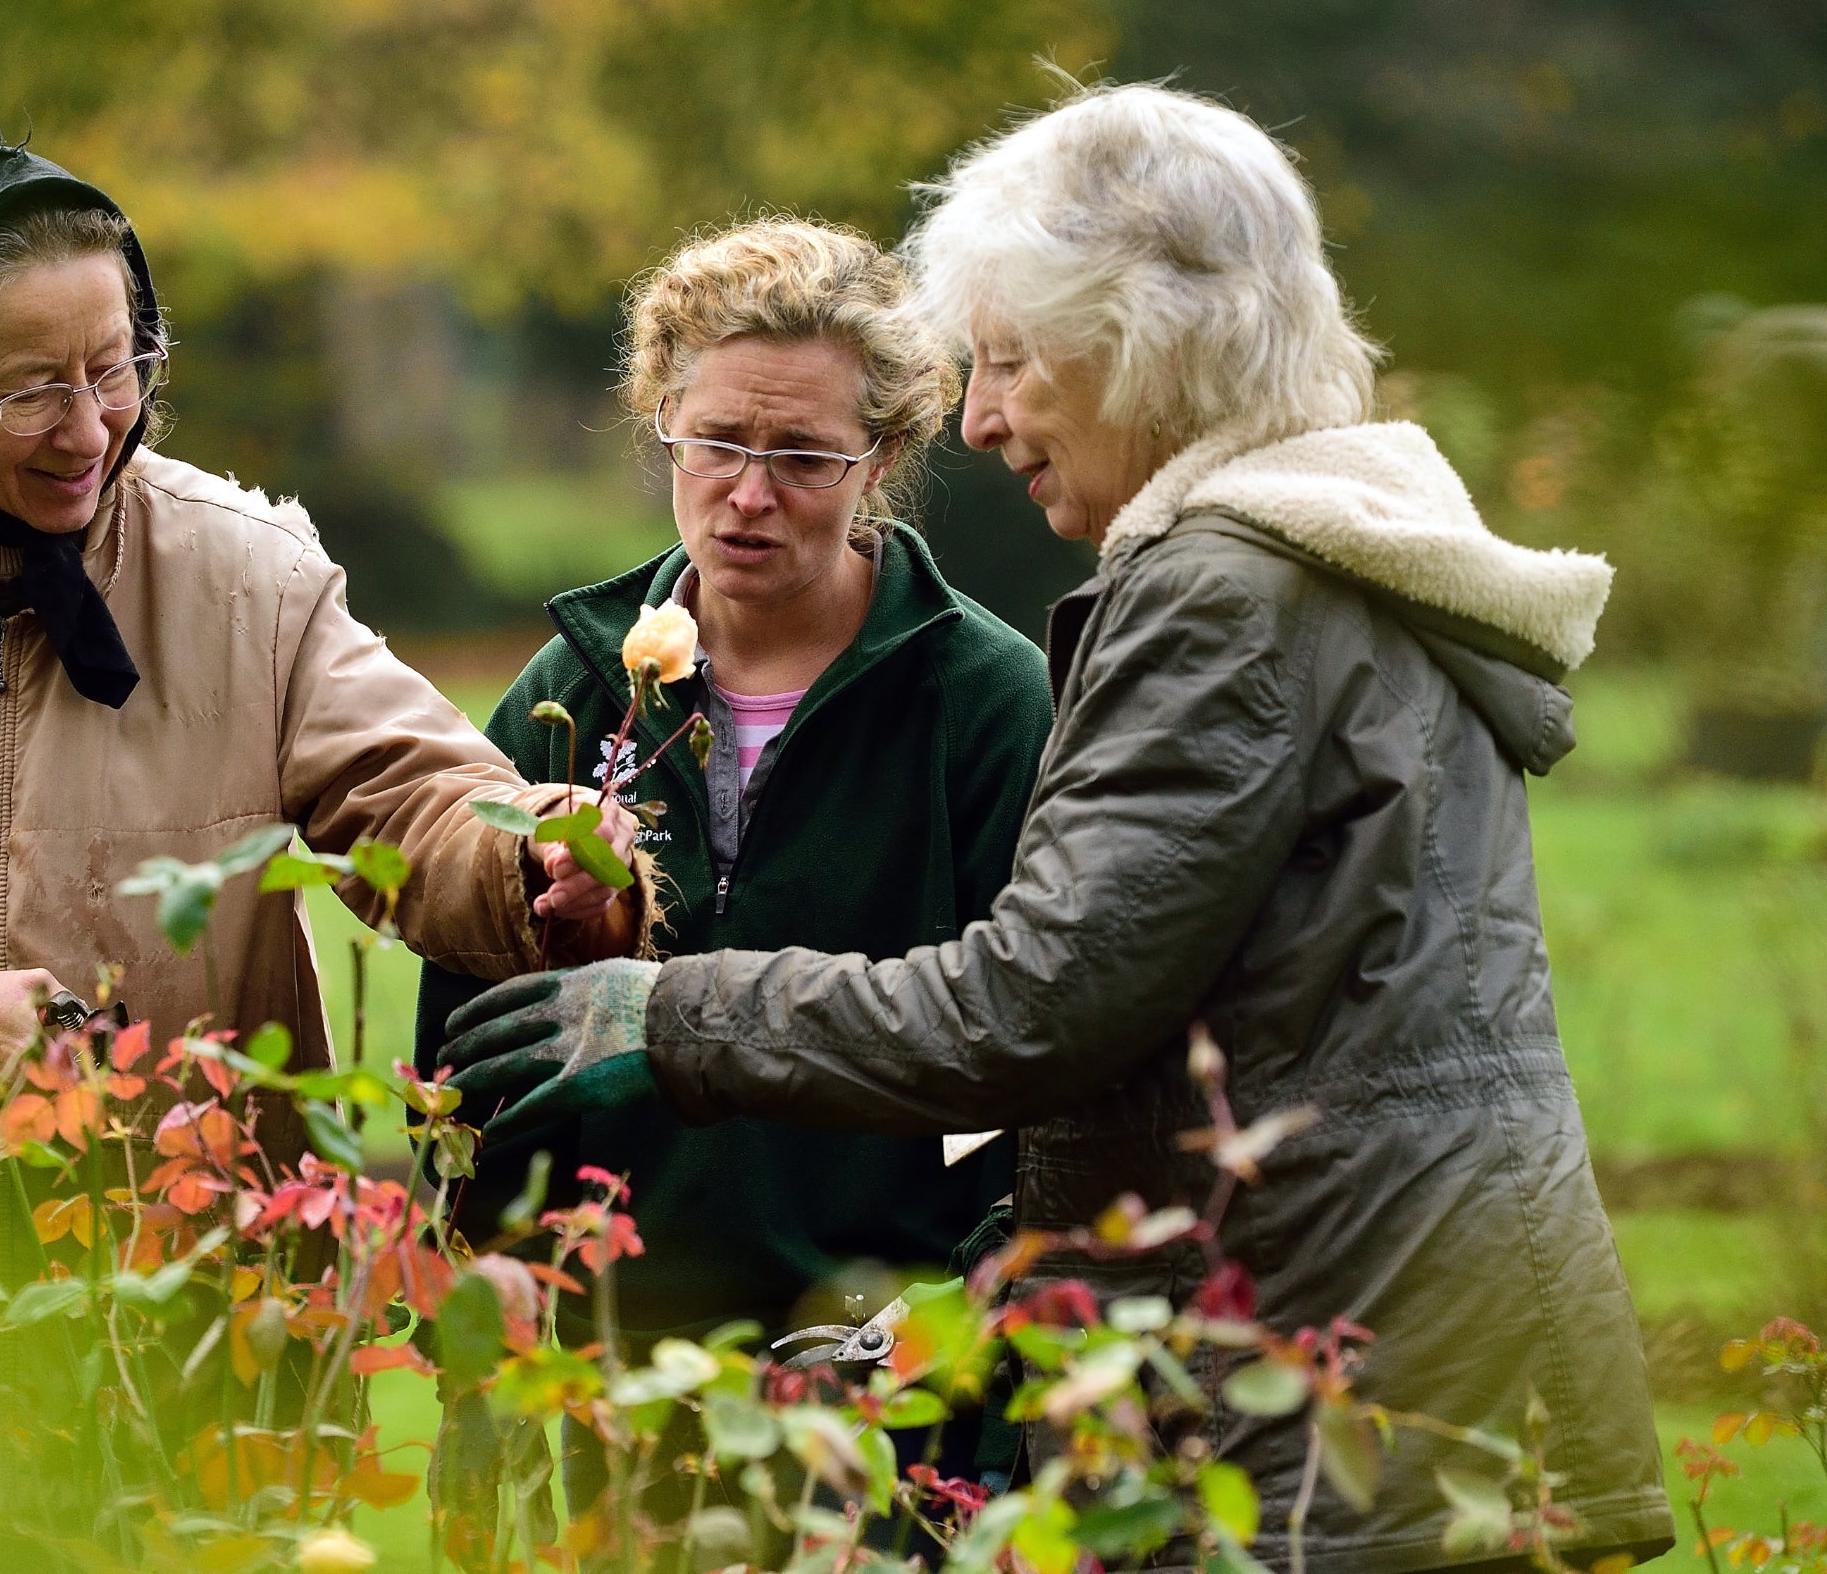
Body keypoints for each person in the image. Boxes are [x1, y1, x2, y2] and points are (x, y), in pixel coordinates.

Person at [440, 84, 1673, 1572]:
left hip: (1331, 1371)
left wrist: (675, 1010)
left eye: (1013, 361)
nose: (983, 417)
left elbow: (1040, 1000)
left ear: (1139, 344)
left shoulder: (1225, 599)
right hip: (1404, 1336)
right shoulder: (1331, 557)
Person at [0, 142, 639, 1457]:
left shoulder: (248, 579)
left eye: (117, 366)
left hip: (215, 1334)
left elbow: (415, 796)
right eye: (34, 388)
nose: (92, 424)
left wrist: (531, 863)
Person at [416, 217, 1054, 1507]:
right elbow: (464, 1051)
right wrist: (478, 1312)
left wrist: (946, 1329)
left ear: (885, 458)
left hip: (884, 1398)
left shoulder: (985, 703)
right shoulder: (571, 693)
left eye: (806, 457)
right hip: (612, 1385)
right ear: (663, 419)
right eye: (714, 443)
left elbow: (1043, 1062)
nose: (749, 494)